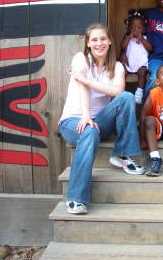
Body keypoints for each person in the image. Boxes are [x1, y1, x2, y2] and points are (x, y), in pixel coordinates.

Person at [58, 23, 145, 214]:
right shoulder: (81, 58)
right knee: (88, 131)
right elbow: (81, 88)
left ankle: (122, 154)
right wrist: (86, 115)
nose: (99, 43)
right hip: (74, 121)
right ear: (88, 43)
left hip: (101, 122)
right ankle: (76, 199)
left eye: (103, 39)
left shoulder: (118, 66)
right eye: (94, 40)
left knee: (127, 98)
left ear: (110, 41)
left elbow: (117, 91)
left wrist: (88, 80)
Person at [119, 9, 152, 104]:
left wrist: (141, 38)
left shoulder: (145, 38)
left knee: (142, 73)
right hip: (129, 62)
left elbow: (150, 48)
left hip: (140, 63)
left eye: (139, 28)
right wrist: (129, 37)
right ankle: (121, 91)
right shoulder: (127, 38)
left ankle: (139, 92)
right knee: (122, 71)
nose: (136, 30)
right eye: (133, 28)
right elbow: (122, 46)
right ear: (128, 28)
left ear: (144, 29)